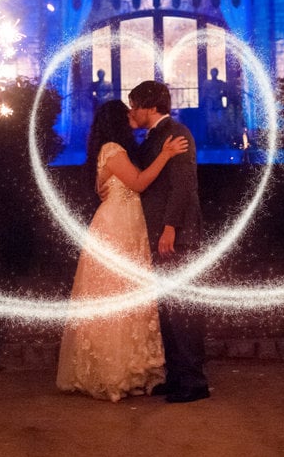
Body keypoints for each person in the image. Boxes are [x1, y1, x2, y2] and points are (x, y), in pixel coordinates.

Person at [57, 99, 187, 402]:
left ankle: (129, 368)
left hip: (124, 222)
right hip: (118, 226)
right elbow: (139, 183)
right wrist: (166, 155)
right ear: (117, 120)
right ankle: (115, 371)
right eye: (126, 113)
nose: (132, 115)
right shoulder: (112, 150)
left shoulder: (112, 150)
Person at [128, 81, 210, 403]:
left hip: (175, 236)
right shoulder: (155, 137)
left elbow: (183, 186)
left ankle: (194, 381)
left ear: (149, 106)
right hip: (161, 234)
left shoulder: (176, 133)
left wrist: (171, 227)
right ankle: (177, 376)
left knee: (182, 311)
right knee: (168, 309)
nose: (132, 111)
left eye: (134, 105)